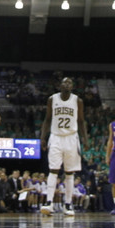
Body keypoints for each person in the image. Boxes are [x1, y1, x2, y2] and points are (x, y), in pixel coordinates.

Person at [39, 77, 88, 217]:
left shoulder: (77, 100)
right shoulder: (52, 99)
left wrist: (85, 138)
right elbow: (47, 119)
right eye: (64, 82)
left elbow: (81, 121)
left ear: (72, 86)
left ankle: (68, 203)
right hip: (55, 137)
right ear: (59, 85)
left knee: (69, 172)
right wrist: (43, 138)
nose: (66, 84)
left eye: (69, 83)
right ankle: (49, 203)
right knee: (53, 170)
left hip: (72, 137)